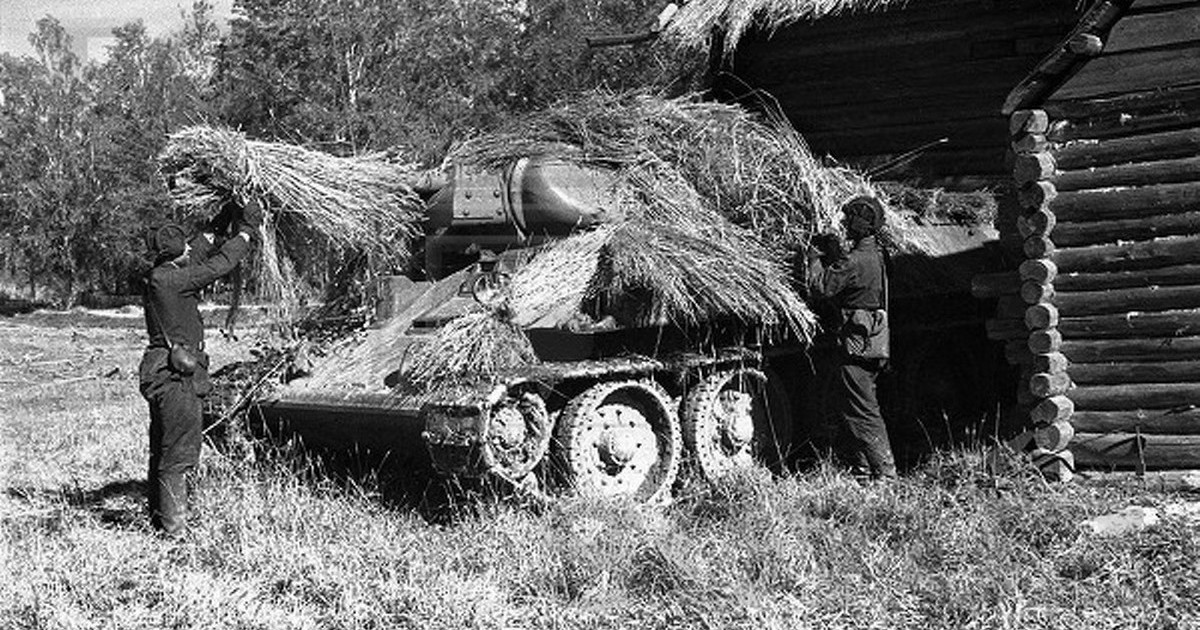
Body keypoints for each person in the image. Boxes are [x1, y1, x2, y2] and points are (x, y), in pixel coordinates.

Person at [139, 200, 261, 535]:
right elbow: (220, 264)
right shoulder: (174, 281)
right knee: (178, 452)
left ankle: (159, 518)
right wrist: (247, 232)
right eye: (185, 246)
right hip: (174, 377)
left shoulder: (160, 275)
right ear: (175, 254)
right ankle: (175, 530)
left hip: (161, 370)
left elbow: (198, 251)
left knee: (163, 447)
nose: (190, 248)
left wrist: (220, 222)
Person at [808, 196, 897, 481]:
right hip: (873, 343)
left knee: (863, 411)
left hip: (855, 347)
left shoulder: (854, 260)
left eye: (849, 220)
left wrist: (813, 259)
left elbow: (820, 287)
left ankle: (885, 474)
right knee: (855, 407)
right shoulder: (879, 255)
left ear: (858, 225)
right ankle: (863, 472)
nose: (845, 225)